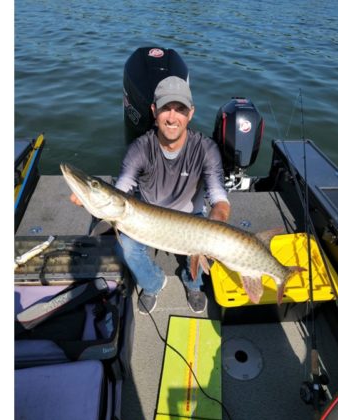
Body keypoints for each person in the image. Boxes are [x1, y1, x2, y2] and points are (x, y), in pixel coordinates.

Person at [70, 76, 230, 314]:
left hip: (193, 217)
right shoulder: (139, 149)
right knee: (125, 247)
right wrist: (91, 199)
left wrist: (215, 227)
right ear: (154, 111)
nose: (172, 117)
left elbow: (219, 200)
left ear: (191, 113)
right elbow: (121, 190)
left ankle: (193, 283)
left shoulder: (206, 149)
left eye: (180, 109)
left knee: (211, 247)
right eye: (166, 108)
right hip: (145, 216)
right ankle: (154, 282)